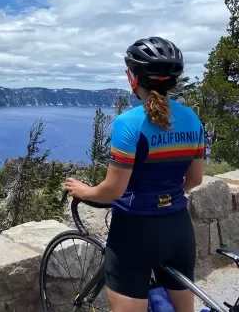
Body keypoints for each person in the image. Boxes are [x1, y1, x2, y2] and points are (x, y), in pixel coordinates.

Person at [64, 37, 204, 312]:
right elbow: (195, 180)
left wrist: (83, 191)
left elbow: (113, 190)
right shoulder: (192, 119)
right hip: (178, 227)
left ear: (133, 78)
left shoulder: (128, 124)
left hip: (135, 231)